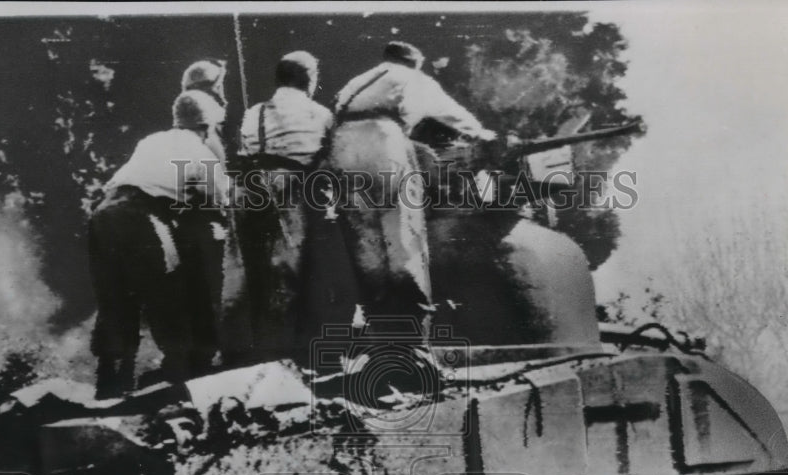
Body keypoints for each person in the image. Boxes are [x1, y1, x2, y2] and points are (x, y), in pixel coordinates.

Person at [328, 41, 495, 331]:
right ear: (414, 62)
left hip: (342, 145)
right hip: (381, 140)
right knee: (401, 222)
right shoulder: (413, 79)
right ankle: (412, 313)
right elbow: (452, 113)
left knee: (363, 230)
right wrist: (482, 133)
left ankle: (376, 309)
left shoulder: (356, 82)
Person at [88, 90, 234, 398]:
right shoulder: (200, 151)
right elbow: (222, 201)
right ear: (206, 127)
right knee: (168, 294)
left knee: (115, 298)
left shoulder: (151, 140)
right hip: (141, 217)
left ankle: (110, 383)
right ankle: (180, 380)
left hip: (104, 214)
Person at [235, 51, 333, 363]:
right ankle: (288, 355)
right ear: (308, 79)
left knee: (259, 272)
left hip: (254, 191)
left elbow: (246, 149)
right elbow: (329, 157)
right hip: (295, 192)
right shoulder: (320, 114)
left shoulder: (255, 113)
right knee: (293, 272)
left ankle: (263, 349)